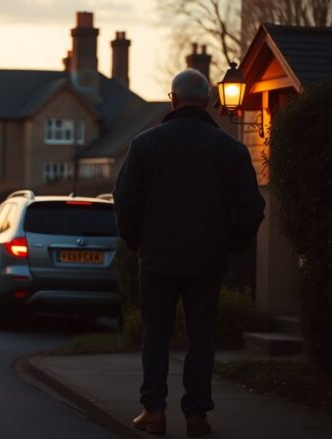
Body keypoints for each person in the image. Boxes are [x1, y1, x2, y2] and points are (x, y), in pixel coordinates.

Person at [113, 69, 265, 437]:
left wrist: (135, 240)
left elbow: (125, 200)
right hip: (207, 259)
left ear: (173, 100)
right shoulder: (232, 149)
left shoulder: (145, 145)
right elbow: (252, 206)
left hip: (157, 257)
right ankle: (197, 416)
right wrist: (232, 243)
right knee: (202, 336)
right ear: (208, 101)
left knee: (156, 333)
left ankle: (153, 411)